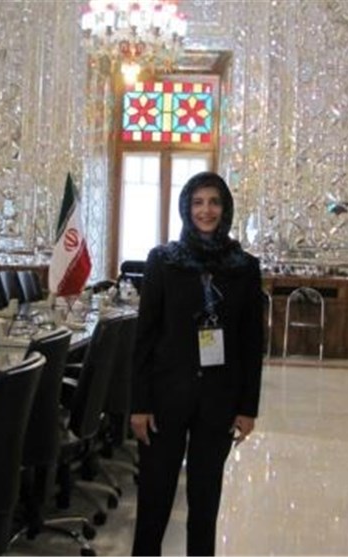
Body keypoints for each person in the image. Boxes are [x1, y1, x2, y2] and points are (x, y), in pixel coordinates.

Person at [130, 171, 264, 556]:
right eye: (198, 202)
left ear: (226, 209)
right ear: (186, 208)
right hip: (164, 398)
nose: (206, 210)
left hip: (219, 401)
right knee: (154, 501)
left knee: (205, 505)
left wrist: (248, 408)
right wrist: (139, 404)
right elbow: (145, 338)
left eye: (214, 202)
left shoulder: (244, 267)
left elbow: (252, 342)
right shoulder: (162, 261)